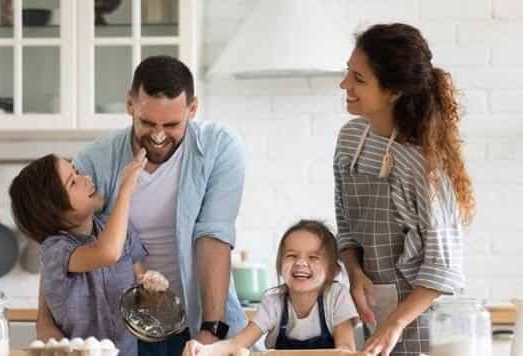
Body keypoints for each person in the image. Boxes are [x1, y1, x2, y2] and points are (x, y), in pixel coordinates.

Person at [36, 55, 248, 356]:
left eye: (172, 124)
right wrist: (46, 324)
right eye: (147, 123)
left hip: (199, 323)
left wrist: (211, 331)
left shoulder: (218, 149)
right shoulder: (94, 160)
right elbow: (61, 240)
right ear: (130, 106)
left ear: (193, 109)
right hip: (122, 333)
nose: (159, 136)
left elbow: (213, 236)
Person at [334, 23, 475, 355]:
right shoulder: (349, 140)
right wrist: (355, 274)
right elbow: (346, 228)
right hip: (373, 317)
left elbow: (444, 266)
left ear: (393, 91)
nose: (345, 85)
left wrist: (395, 324)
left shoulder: (422, 165)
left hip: (426, 328)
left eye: (359, 79)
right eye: (348, 72)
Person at [9, 150, 157, 355]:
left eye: (77, 171)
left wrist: (151, 289)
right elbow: (107, 253)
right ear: (53, 210)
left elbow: (142, 289)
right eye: (73, 182)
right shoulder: (56, 251)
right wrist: (126, 189)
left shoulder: (121, 230)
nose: (86, 178)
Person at [182, 220, 359, 356]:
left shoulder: (337, 297)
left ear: (333, 271)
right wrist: (205, 350)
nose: (301, 263)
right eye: (292, 255)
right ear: (280, 263)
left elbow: (345, 351)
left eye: (313, 257)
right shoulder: (274, 301)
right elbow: (237, 344)